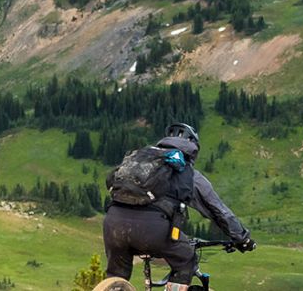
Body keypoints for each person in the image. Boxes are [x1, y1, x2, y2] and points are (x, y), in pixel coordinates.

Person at [101, 123, 254, 290]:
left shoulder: (142, 160)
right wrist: (242, 238)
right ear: (193, 147)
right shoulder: (186, 172)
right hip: (152, 229)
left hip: (113, 224)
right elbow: (218, 210)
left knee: (117, 277)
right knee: (186, 258)